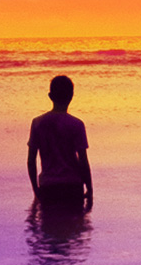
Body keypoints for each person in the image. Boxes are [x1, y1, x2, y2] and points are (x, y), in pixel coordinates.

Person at [28, 75, 93, 211]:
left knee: (49, 228)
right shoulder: (77, 124)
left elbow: (31, 160)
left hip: (48, 185)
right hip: (73, 185)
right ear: (71, 96)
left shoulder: (38, 123)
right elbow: (83, 161)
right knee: (74, 228)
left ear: (50, 96)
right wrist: (90, 188)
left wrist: (36, 189)